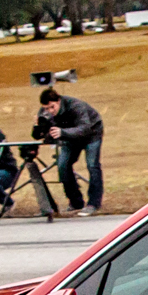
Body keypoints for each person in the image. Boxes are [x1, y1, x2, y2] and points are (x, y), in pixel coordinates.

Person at [36, 87, 104, 216]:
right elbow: (39, 136)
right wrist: (38, 126)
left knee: (92, 165)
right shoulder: (44, 112)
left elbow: (85, 128)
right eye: (46, 108)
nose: (50, 111)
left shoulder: (75, 106)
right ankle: (75, 202)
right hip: (69, 137)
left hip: (92, 134)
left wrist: (63, 132)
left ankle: (93, 203)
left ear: (59, 101)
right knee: (62, 166)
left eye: (52, 107)